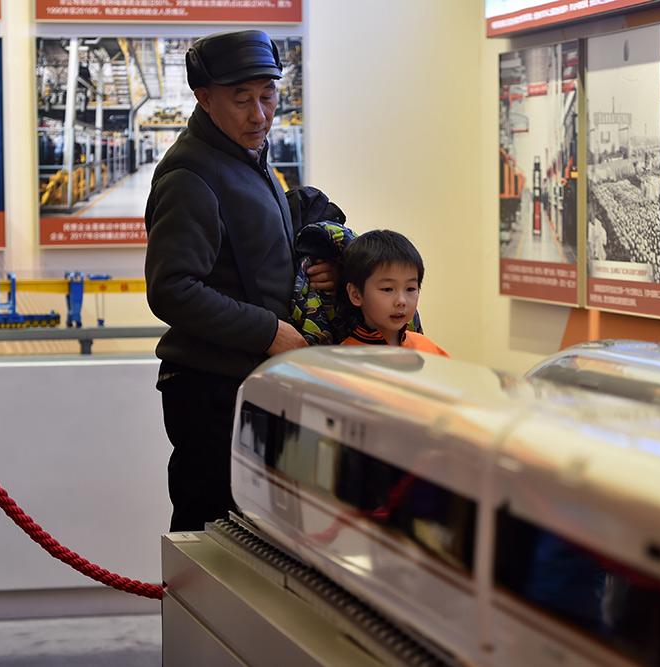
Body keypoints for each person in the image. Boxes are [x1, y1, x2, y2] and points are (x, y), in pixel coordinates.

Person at [145, 29, 342, 532]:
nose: (259, 114)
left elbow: (250, 256)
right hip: (210, 390)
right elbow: (172, 288)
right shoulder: (191, 174)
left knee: (252, 536)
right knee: (208, 533)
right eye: (242, 100)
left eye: (268, 96)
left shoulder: (246, 157)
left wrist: (313, 266)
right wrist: (268, 332)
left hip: (245, 382)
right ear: (205, 99)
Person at [340, 230, 449, 356]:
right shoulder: (345, 360)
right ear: (356, 294)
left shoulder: (428, 349)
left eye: (410, 289)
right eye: (387, 289)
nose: (401, 301)